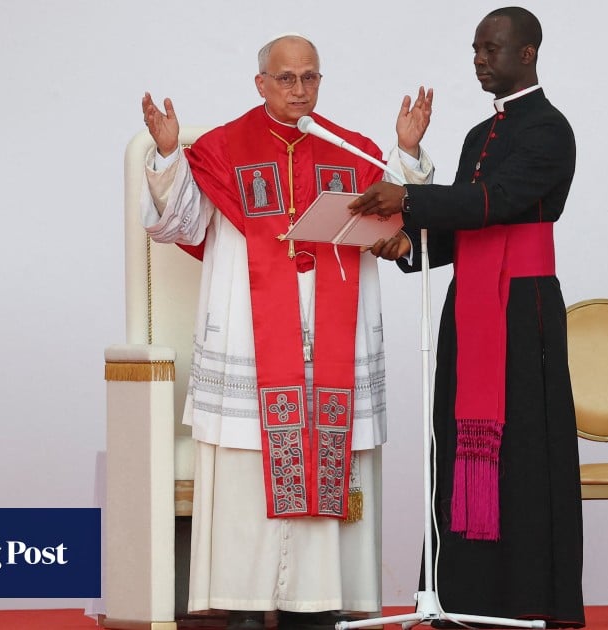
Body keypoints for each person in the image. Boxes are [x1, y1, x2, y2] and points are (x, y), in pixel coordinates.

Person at [140, 34, 433, 630]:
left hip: (332, 336)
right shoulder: (221, 148)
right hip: (249, 332)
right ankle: (243, 601)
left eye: (310, 78)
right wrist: (170, 159)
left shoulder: (348, 148)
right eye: (286, 79)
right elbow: (180, 224)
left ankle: (318, 600)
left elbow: (399, 213)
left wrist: (406, 153)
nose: (299, 90)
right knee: (249, 468)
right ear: (261, 83)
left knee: (328, 457)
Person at [350, 7, 584, 628]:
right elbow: (460, 227)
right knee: (460, 445)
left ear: (527, 53)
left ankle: (531, 600)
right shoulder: (479, 135)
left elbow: (499, 201)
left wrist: (409, 199)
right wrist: (406, 243)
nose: (479, 59)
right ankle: (466, 597)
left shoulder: (550, 129)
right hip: (471, 301)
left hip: (524, 307)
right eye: (475, 49)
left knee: (524, 449)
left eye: (492, 49)